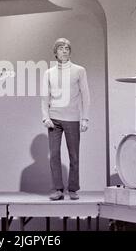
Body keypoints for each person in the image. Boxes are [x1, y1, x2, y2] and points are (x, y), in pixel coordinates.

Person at [41, 38, 91, 200]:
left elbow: (86, 95)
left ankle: (73, 189)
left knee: (74, 155)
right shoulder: (49, 73)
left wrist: (85, 118)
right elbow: (44, 97)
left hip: (72, 118)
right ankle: (57, 189)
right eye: (61, 48)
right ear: (55, 52)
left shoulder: (79, 70)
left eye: (67, 48)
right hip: (54, 118)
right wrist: (45, 117)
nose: (64, 50)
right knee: (54, 154)